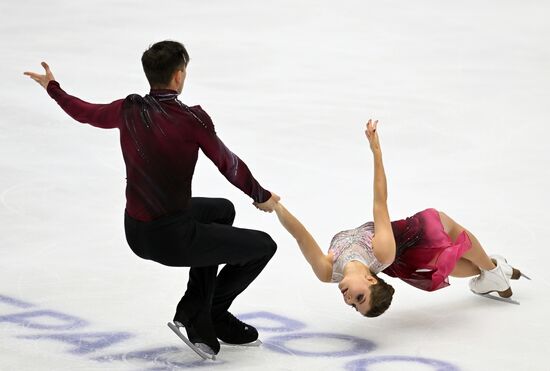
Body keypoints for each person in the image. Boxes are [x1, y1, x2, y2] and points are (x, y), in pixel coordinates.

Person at [24, 40, 280, 356]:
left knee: (221, 211)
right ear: (178, 76)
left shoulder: (129, 108)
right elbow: (229, 163)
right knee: (263, 247)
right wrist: (260, 195)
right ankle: (211, 313)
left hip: (136, 231)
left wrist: (53, 88)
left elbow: (86, 113)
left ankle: (195, 309)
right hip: (172, 237)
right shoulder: (192, 120)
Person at [270, 119, 525, 317]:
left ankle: (494, 270)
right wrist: (376, 152)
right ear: (370, 280)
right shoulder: (381, 252)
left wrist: (276, 206)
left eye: (353, 306)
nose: (349, 300)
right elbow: (380, 203)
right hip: (409, 240)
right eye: (359, 299)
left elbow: (300, 236)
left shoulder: (327, 272)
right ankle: (493, 270)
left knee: (450, 261)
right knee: (447, 228)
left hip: (399, 263)